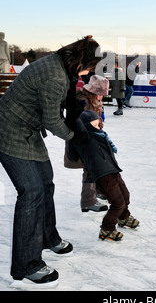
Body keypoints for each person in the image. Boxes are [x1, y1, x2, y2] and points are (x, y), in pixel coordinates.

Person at [0, 35, 102, 288]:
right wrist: (77, 140)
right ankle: (27, 265)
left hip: (28, 130)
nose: (90, 73)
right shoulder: (56, 76)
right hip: (9, 131)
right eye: (91, 67)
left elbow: (61, 111)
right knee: (31, 193)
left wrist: (78, 131)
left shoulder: (60, 66)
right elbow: (53, 120)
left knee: (46, 183)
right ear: (80, 62)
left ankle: (48, 237)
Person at [68, 110, 139, 241]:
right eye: (95, 125)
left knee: (125, 196)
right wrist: (73, 112)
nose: (99, 127)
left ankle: (123, 218)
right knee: (118, 203)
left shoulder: (100, 135)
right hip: (102, 175)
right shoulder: (85, 138)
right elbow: (78, 128)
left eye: (98, 124)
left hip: (113, 171)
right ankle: (107, 229)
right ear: (86, 126)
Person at [64, 74, 110, 213]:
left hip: (92, 138)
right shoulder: (82, 101)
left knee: (97, 165)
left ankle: (96, 191)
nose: (102, 97)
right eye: (100, 94)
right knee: (90, 168)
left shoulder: (93, 100)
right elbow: (80, 124)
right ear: (93, 91)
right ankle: (88, 201)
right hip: (82, 140)